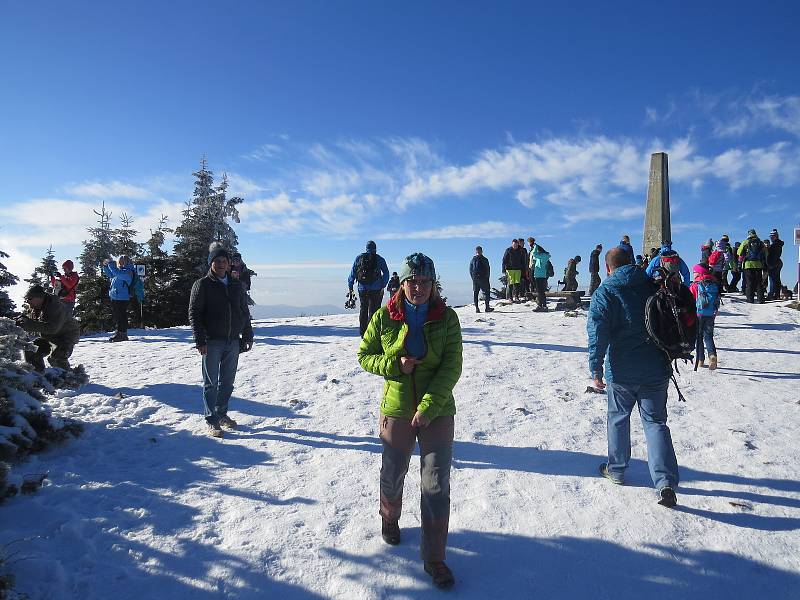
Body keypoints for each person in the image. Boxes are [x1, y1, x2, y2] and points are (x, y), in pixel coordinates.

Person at [357, 252, 462, 589]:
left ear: (434, 284)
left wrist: (429, 407)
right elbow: (364, 355)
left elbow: (451, 367)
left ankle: (434, 558)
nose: (418, 287)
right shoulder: (384, 316)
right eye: (412, 281)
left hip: (438, 410)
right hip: (397, 408)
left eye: (425, 281)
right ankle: (390, 519)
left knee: (435, 484)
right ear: (401, 284)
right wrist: (394, 364)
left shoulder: (447, 318)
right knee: (392, 474)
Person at [587, 247, 679, 508]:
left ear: (608, 268)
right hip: (655, 368)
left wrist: (595, 368)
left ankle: (616, 469)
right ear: (632, 263)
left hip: (621, 370)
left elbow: (598, 334)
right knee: (655, 423)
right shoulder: (651, 285)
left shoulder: (605, 292)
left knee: (618, 418)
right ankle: (665, 482)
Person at [188, 244, 254, 438]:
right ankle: (211, 420)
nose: (221, 264)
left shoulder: (235, 285)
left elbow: (244, 311)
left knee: (227, 382)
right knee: (211, 383)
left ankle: (222, 414)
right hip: (212, 341)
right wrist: (200, 339)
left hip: (232, 341)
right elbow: (194, 313)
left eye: (224, 261)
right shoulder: (202, 285)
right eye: (217, 261)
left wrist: (248, 334)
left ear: (228, 264)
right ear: (211, 263)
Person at [15, 284, 81, 371]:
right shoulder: (35, 307)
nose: (27, 301)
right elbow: (33, 323)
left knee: (56, 358)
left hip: (66, 336)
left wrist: (29, 324)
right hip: (49, 336)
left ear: (40, 297)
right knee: (31, 350)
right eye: (26, 299)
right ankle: (38, 375)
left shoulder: (55, 306)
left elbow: (52, 328)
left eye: (30, 298)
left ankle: (69, 379)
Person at [348, 240, 391, 337]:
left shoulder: (359, 258)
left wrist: (350, 286)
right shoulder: (379, 259)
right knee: (374, 310)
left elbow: (353, 273)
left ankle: (363, 333)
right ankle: (372, 333)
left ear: (366, 248)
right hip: (376, 289)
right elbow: (386, 273)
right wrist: (382, 285)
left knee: (363, 309)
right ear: (375, 248)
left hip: (362, 288)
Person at [690, 264, 720, 370]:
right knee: (708, 336)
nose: (693, 274)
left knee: (698, 337)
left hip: (699, 314)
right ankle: (712, 356)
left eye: (694, 272)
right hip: (711, 314)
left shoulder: (695, 285)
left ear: (699, 273)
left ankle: (700, 360)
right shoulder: (714, 283)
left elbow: (690, 299)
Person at [102, 255, 135, 342]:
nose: (119, 263)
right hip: (116, 296)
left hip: (122, 297)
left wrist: (111, 263)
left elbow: (116, 273)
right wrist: (105, 266)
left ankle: (122, 334)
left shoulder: (128, 271)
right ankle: (119, 333)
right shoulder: (120, 271)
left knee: (121, 316)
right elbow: (111, 274)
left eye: (121, 262)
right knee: (118, 316)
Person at [737, 229, 767, 304]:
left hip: (748, 265)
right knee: (759, 282)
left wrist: (740, 263)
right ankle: (761, 299)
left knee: (749, 282)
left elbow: (739, 253)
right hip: (758, 265)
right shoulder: (760, 243)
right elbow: (766, 253)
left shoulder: (745, 242)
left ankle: (750, 299)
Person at [469, 246, 493, 313]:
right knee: (487, 292)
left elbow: (470, 270)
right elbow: (488, 269)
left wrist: (473, 278)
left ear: (476, 251)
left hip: (475, 279)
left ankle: (477, 308)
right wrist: (487, 277)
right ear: (482, 251)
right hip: (483, 279)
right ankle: (487, 307)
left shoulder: (473, 259)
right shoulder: (485, 259)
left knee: (476, 293)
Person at [529, 243, 551, 312]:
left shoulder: (543, 256)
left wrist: (535, 247)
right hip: (540, 275)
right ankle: (541, 305)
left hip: (540, 276)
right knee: (540, 292)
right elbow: (533, 256)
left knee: (540, 292)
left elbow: (534, 254)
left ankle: (543, 306)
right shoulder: (542, 256)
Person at [766, 229, 784, 300]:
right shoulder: (778, 244)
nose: (771, 237)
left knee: (772, 279)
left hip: (773, 263)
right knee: (776, 279)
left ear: (775, 236)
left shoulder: (774, 245)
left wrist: (767, 248)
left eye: (772, 236)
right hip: (778, 262)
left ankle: (771, 295)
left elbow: (771, 254)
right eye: (770, 236)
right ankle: (777, 294)